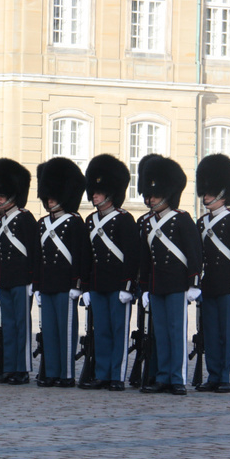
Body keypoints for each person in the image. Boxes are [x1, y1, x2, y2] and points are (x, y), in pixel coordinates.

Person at [137, 156, 202, 396]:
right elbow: (145, 260)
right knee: (160, 334)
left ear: (166, 194)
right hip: (156, 285)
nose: (150, 199)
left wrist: (194, 283)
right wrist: (144, 288)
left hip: (177, 285)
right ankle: (163, 376)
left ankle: (177, 378)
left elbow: (194, 253)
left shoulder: (181, 219)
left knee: (176, 333)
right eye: (149, 195)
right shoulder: (146, 224)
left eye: (154, 195)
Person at [81, 154, 139, 391]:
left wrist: (128, 287)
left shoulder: (125, 220)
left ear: (110, 192)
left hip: (117, 286)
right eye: (93, 190)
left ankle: (117, 374)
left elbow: (132, 256)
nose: (93, 194)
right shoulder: (91, 220)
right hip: (98, 284)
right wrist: (86, 287)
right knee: (101, 332)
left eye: (98, 190)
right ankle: (103, 373)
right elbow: (86, 258)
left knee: (118, 332)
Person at [195, 154, 230, 394]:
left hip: (229, 286)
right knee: (211, 334)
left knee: (228, 335)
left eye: (210, 192)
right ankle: (214, 376)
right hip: (209, 287)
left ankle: (227, 377)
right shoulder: (201, 223)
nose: (205, 196)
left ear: (222, 193)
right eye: (205, 191)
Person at [34, 157, 88, 388]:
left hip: (66, 285)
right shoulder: (42, 224)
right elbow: (37, 259)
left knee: (65, 332)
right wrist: (37, 285)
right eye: (48, 196)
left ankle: (66, 373)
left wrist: (77, 284)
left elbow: (81, 256)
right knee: (49, 332)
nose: (50, 200)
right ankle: (52, 371)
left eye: (54, 195)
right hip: (47, 284)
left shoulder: (75, 222)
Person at [0, 157, 38, 385]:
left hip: (21, 280)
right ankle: (9, 366)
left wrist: (31, 281)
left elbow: (34, 252)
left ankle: (23, 369)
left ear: (12, 195)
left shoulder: (25, 219)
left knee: (21, 325)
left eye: (1, 195)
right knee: (7, 326)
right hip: (5, 281)